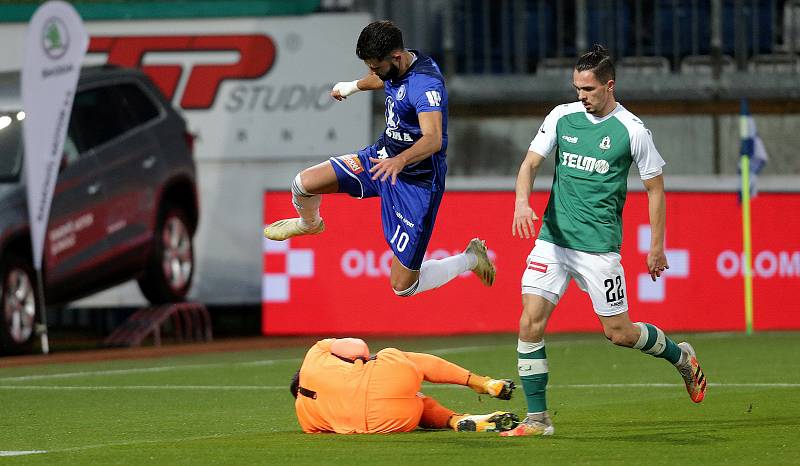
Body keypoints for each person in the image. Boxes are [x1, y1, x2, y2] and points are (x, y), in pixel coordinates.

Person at [502, 45, 707, 437]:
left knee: (619, 334)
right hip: (553, 241)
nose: (581, 96)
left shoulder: (632, 130)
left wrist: (657, 247)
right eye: (577, 88)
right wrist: (521, 202)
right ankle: (537, 418)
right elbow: (529, 164)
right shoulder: (562, 117)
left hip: (599, 250)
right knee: (529, 323)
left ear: (609, 86)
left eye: (589, 89)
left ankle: (681, 356)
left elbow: (656, 190)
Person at [263, 20, 496, 297]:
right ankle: (309, 225)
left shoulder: (425, 86)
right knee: (303, 183)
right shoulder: (398, 63)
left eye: (375, 67)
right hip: (379, 159)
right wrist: (353, 86)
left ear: (395, 57)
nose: (372, 72)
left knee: (403, 286)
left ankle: (470, 258)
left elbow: (433, 139)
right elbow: (385, 78)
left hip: (416, 183)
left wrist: (400, 161)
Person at [290, 337, 520, 434]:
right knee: (395, 357)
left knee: (416, 400)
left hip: (388, 424)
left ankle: (456, 420)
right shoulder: (316, 352)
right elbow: (359, 348)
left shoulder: (304, 418)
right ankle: (482, 382)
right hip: (385, 381)